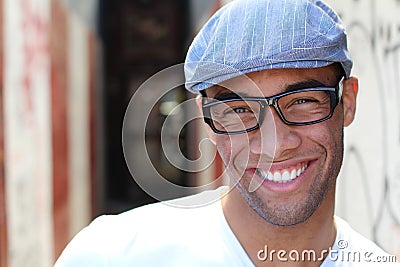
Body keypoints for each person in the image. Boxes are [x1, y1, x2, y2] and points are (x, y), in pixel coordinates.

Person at [55, 0, 399, 266]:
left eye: (303, 101)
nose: (276, 144)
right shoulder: (113, 256)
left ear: (348, 101)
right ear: (207, 121)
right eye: (239, 110)